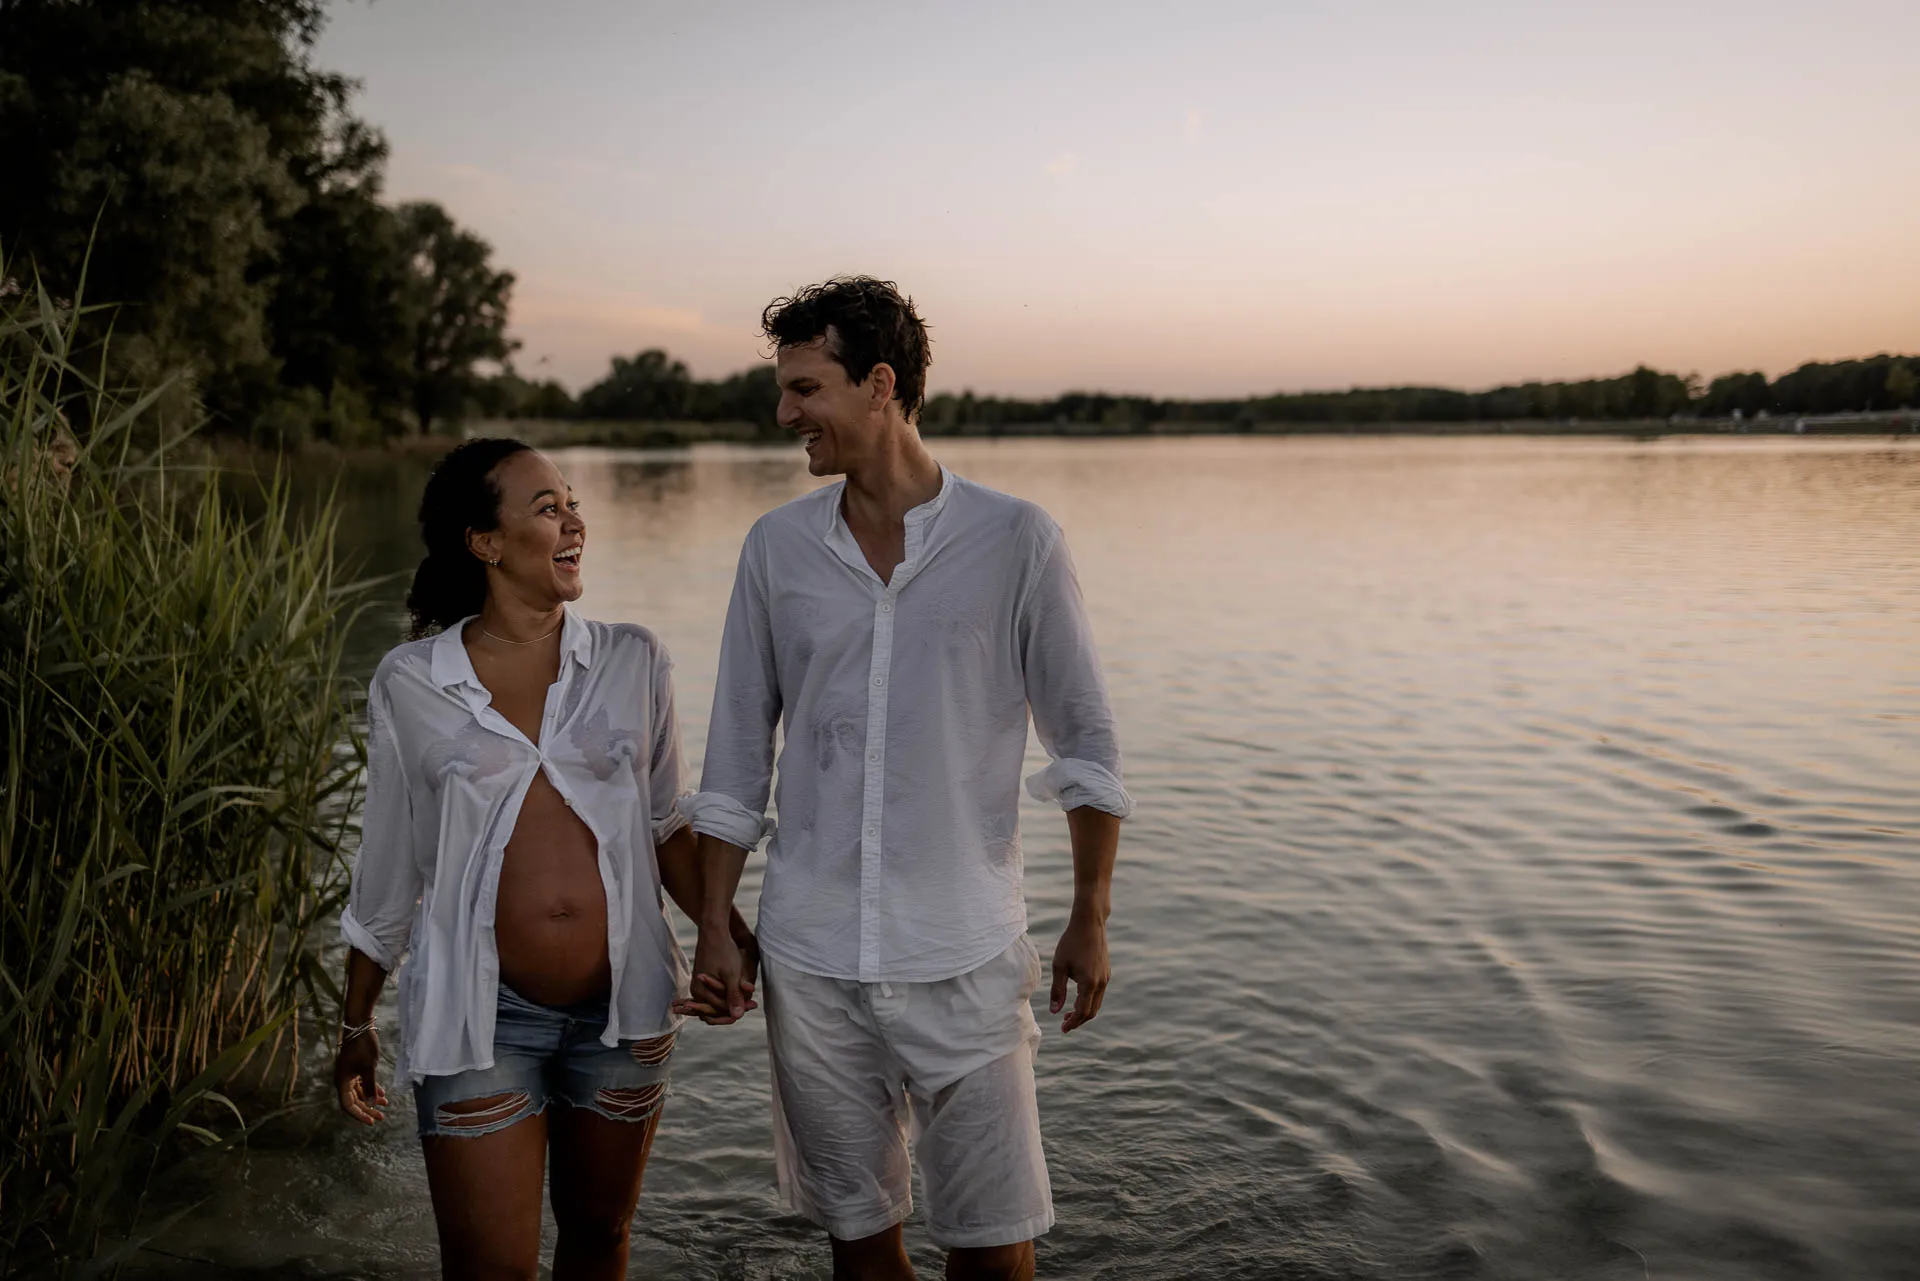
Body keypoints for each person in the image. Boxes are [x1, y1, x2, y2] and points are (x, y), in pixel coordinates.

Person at [676, 277, 1134, 1281]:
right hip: (812, 964)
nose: (785, 413)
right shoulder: (776, 550)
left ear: (880, 384)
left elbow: (1087, 744)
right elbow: (734, 764)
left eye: (805, 388)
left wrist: (1090, 912)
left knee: (992, 1252)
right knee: (861, 1247)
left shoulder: (1016, 540)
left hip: (966, 957)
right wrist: (715, 923)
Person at [332, 438, 756, 1281]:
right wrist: (354, 1025)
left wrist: (725, 935)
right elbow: (386, 874)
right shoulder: (411, 681)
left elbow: (668, 825)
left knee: (599, 1242)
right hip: (478, 1018)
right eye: (547, 507)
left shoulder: (633, 658)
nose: (574, 521)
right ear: (484, 543)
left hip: (623, 1016)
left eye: (572, 501)